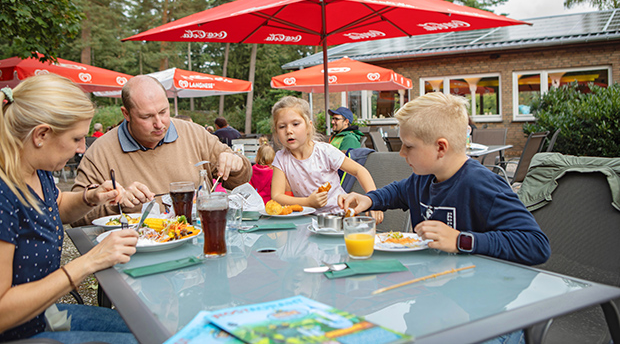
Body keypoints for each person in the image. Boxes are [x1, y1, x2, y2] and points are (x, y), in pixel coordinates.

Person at [0, 75, 138, 343]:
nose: (81, 149)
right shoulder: (3, 193)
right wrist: (89, 261)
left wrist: (92, 197)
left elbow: (55, 206)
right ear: (41, 135)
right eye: (76, 138)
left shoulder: (34, 169)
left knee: (147, 327)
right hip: (15, 331)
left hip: (42, 315)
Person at [340, 92, 550, 265]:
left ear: (440, 147)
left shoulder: (482, 185)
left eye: (409, 146)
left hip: (474, 298)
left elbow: (536, 244)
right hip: (431, 287)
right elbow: (399, 191)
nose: (401, 153)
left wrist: (461, 240)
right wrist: (370, 199)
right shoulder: (424, 178)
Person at [70, 75, 252, 226]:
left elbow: (242, 178)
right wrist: (116, 203)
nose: (159, 123)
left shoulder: (193, 133)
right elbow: (77, 217)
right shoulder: (101, 151)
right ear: (126, 114)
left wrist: (236, 164)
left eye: (164, 111)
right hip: (134, 253)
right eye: (147, 116)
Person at [270, 96, 382, 221]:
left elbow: (359, 171)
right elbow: (276, 195)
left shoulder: (325, 151)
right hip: (308, 219)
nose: (289, 130)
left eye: (295, 124)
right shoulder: (281, 158)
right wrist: (307, 201)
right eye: (282, 126)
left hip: (340, 215)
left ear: (308, 126)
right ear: (276, 131)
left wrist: (373, 199)